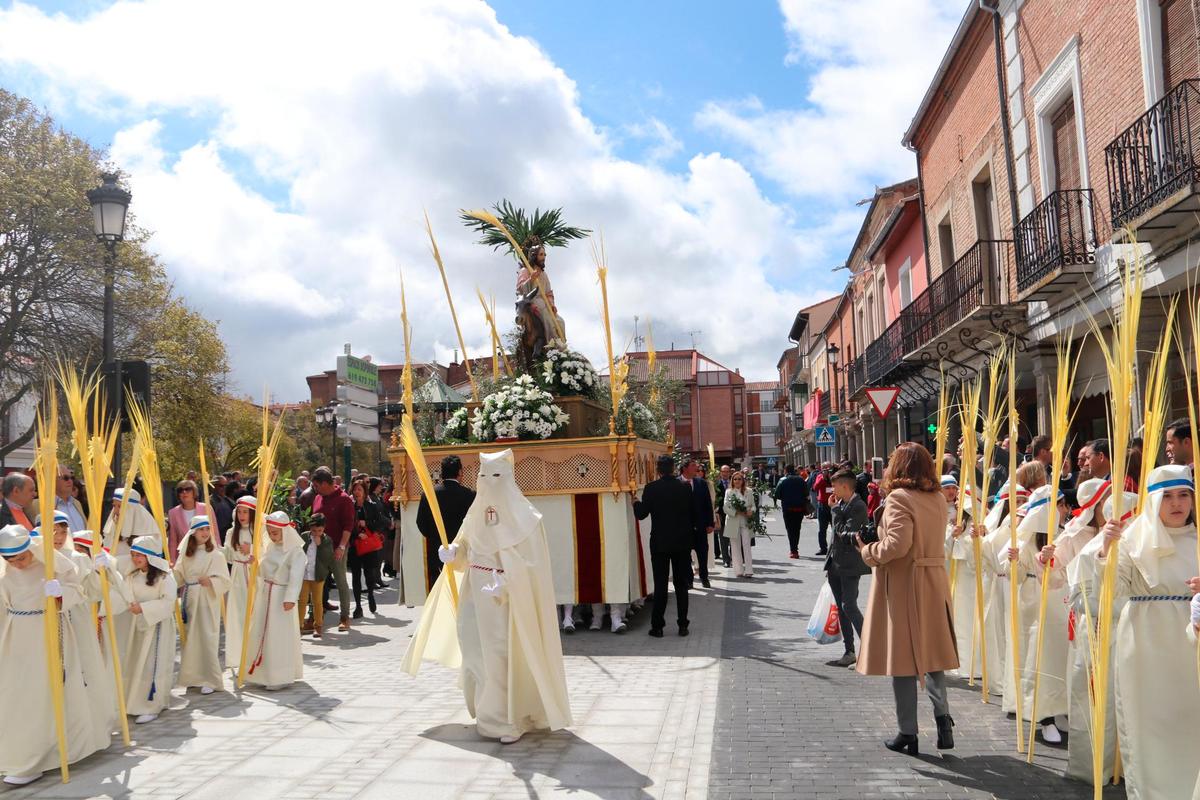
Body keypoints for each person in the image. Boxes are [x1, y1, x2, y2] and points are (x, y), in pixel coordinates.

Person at [404, 449, 571, 744]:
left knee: (502, 654)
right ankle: (488, 715)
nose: (488, 482)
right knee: (475, 648)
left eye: (495, 476)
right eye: (483, 476)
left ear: (506, 478)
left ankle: (510, 719)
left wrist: (507, 581)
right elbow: (467, 542)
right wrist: (453, 552)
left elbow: (533, 564)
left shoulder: (527, 518)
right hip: (475, 591)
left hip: (506, 599)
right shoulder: (475, 511)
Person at [1097, 464, 1200, 799]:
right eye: (1167, 496)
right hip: (1145, 643)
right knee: (1151, 725)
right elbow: (1113, 589)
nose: (1177, 503)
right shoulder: (1132, 539)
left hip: (1193, 644)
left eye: (1184, 494)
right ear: (1153, 500)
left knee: (1190, 722)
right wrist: (1107, 549)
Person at [855, 442, 958, 756]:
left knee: (902, 661)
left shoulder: (900, 497)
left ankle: (907, 732)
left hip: (906, 585)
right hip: (934, 581)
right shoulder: (938, 497)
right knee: (933, 655)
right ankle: (943, 719)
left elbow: (897, 545)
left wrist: (867, 550)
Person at [0, 524, 112, 786]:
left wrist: (61, 594)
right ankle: (21, 752)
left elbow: (81, 591)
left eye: (21, 557)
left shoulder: (54, 564)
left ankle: (43, 755)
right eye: (10, 559)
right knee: (17, 694)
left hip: (49, 631)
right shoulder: (4, 570)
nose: (16, 564)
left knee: (45, 692)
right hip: (16, 638)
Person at [1002, 484, 1069, 745]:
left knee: (1057, 657)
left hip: (1059, 600)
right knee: (1036, 659)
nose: (1063, 511)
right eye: (1059, 506)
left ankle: (1057, 707)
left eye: (1062, 506)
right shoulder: (1026, 541)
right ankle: (1043, 717)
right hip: (1033, 602)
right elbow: (1014, 578)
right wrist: (1015, 561)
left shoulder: (1065, 535)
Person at [634, 455, 698, 637]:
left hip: (660, 543)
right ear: (673, 469)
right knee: (681, 584)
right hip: (682, 543)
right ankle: (683, 625)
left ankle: (658, 626)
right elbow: (693, 514)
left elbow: (642, 514)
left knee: (661, 585)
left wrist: (635, 502)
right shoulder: (685, 488)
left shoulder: (651, 489)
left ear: (658, 470)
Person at [244, 512, 306, 690]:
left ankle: (279, 676)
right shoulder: (270, 547)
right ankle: (262, 673)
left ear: (285, 531)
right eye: (270, 532)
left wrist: (290, 598)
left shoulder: (295, 551)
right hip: (266, 595)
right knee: (262, 633)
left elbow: (296, 577)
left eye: (275, 533)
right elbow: (263, 569)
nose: (272, 536)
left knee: (278, 636)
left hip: (281, 597)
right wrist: (254, 563)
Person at [121, 534, 179, 724]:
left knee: (152, 665)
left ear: (151, 556)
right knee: (136, 662)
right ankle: (134, 702)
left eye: (141, 555)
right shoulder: (132, 576)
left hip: (157, 626)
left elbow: (169, 602)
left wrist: (144, 608)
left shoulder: (164, 577)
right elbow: (125, 594)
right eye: (134, 554)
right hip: (137, 626)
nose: (136, 559)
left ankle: (152, 704)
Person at [174, 516, 230, 696]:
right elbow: (179, 577)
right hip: (190, 599)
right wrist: (169, 573)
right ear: (192, 533)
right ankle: (193, 677)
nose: (205, 533)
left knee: (207, 636)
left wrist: (211, 581)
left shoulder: (216, 555)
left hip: (206, 599)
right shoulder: (185, 554)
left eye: (207, 529)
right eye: (201, 529)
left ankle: (211, 679)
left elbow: (225, 580)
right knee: (191, 638)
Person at [826, 468, 869, 668]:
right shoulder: (842, 502)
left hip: (851, 564)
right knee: (842, 607)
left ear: (844, 486)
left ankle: (870, 648)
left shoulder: (858, 506)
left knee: (849, 605)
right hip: (835, 563)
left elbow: (847, 534)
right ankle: (849, 651)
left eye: (834, 485)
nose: (831, 489)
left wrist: (834, 512)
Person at [416, 455, 476, 588]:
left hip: (437, 551)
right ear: (460, 472)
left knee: (440, 589)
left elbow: (421, 523)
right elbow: (475, 525)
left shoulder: (428, 494)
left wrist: (435, 538)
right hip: (463, 552)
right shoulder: (469, 495)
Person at [311, 467, 355, 632]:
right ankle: (315, 617)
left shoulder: (344, 500)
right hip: (318, 549)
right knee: (316, 583)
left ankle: (344, 617)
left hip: (337, 549)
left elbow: (348, 526)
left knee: (341, 582)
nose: (315, 488)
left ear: (324, 483)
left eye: (316, 485)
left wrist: (342, 547)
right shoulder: (317, 498)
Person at [348, 479, 384, 617]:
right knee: (356, 576)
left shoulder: (371, 506)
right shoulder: (350, 506)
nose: (357, 492)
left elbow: (379, 523)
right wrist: (357, 534)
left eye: (360, 489)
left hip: (369, 545)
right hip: (355, 545)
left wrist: (366, 523)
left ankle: (370, 594)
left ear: (364, 492)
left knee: (369, 574)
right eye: (355, 489)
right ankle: (358, 606)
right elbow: (347, 524)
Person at [299, 514, 335, 637]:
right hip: (303, 574)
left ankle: (318, 625)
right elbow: (298, 551)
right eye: (314, 530)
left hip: (318, 575)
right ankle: (299, 625)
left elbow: (328, 558)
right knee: (302, 600)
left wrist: (320, 545)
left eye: (320, 530)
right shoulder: (304, 536)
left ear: (324, 528)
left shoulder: (327, 540)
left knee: (317, 601)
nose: (316, 533)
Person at [681, 459, 714, 589]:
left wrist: (710, 523)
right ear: (685, 468)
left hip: (700, 526)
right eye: (693, 466)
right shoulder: (677, 482)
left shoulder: (701, 483)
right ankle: (689, 580)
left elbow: (707, 504)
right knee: (685, 555)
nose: (696, 468)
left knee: (702, 553)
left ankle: (704, 577)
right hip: (684, 528)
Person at [722, 471, 757, 578]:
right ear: (732, 480)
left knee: (746, 545)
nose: (737, 481)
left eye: (739, 479)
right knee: (735, 546)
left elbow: (753, 506)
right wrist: (737, 512)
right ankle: (738, 570)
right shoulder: (729, 492)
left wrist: (751, 511)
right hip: (733, 521)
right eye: (735, 479)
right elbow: (725, 508)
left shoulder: (749, 491)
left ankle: (749, 570)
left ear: (743, 480)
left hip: (746, 522)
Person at [167, 479, 209, 563]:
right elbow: (173, 540)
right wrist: (172, 560)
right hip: (184, 558)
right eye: (180, 490)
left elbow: (214, 533)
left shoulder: (206, 508)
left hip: (206, 555)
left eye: (188, 489)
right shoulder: (173, 513)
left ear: (194, 491)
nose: (184, 492)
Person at [775, 465, 811, 559]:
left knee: (790, 529)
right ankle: (795, 548)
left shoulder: (783, 480)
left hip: (788, 508)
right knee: (797, 528)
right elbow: (806, 493)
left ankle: (793, 550)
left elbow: (777, 494)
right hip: (799, 508)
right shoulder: (801, 480)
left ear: (786, 471)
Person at [53, 466, 86, 532]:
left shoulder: (77, 503)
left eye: (72, 478)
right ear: (53, 480)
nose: (70, 481)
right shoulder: (41, 505)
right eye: (66, 478)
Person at [713, 464, 733, 568]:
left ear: (730, 472)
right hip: (721, 515)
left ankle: (734, 558)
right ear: (721, 473)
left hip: (734, 515)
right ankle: (726, 560)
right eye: (723, 471)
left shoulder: (734, 483)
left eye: (727, 471)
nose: (725, 473)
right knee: (723, 538)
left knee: (733, 538)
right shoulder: (716, 484)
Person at [813, 462, 833, 556]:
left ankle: (835, 547)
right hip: (823, 505)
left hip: (833, 504)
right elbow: (815, 487)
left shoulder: (834, 476)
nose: (826, 470)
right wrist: (823, 478)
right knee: (822, 528)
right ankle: (823, 548)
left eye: (828, 468)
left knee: (835, 528)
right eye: (824, 469)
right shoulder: (819, 477)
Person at [208, 475, 234, 539]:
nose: (224, 488)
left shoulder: (228, 500)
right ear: (213, 486)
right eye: (221, 486)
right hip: (217, 537)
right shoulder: (209, 502)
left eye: (225, 486)